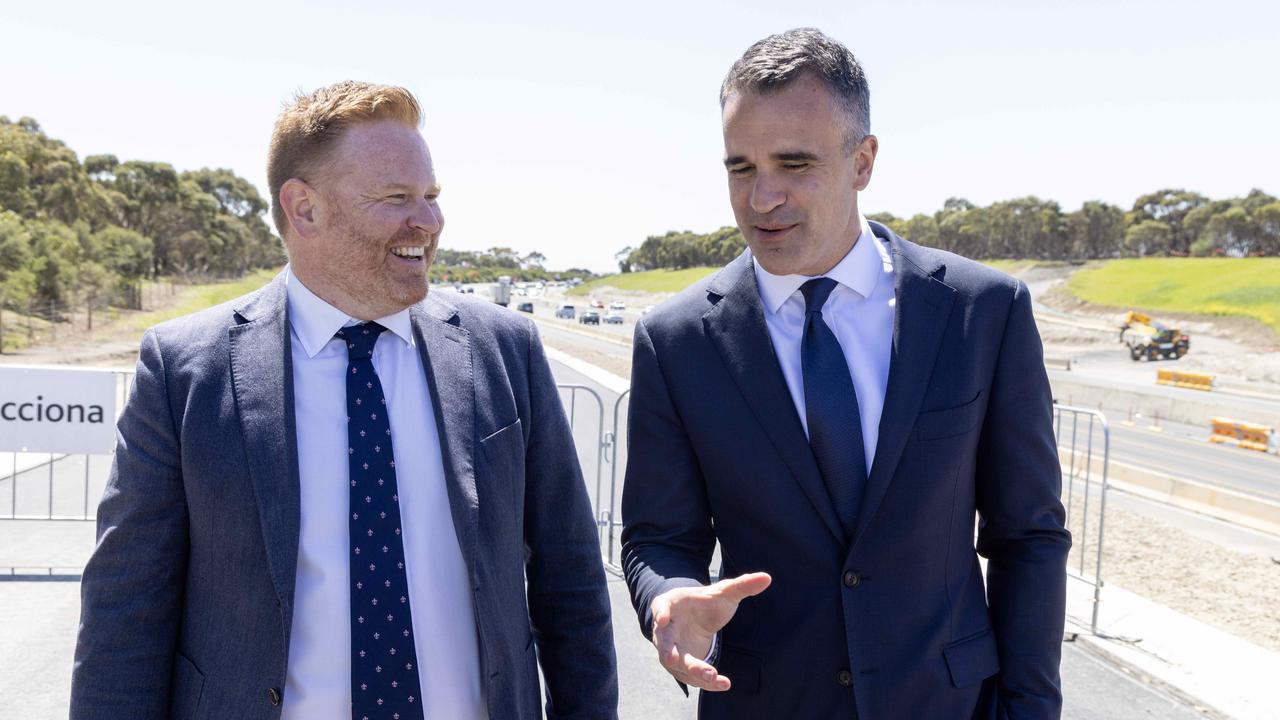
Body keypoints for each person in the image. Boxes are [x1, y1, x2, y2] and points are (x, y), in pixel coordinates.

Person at [71, 81, 618, 720]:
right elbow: (126, 613)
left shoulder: (504, 348)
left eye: (432, 197)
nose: (431, 222)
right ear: (304, 210)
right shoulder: (185, 369)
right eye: (397, 199)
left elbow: (571, 581)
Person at [621, 29, 1070, 719]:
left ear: (863, 161)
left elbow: (1027, 537)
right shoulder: (676, 340)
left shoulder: (983, 312)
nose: (760, 198)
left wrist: (1030, 711)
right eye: (740, 167)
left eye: (793, 164)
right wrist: (669, 598)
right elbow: (659, 537)